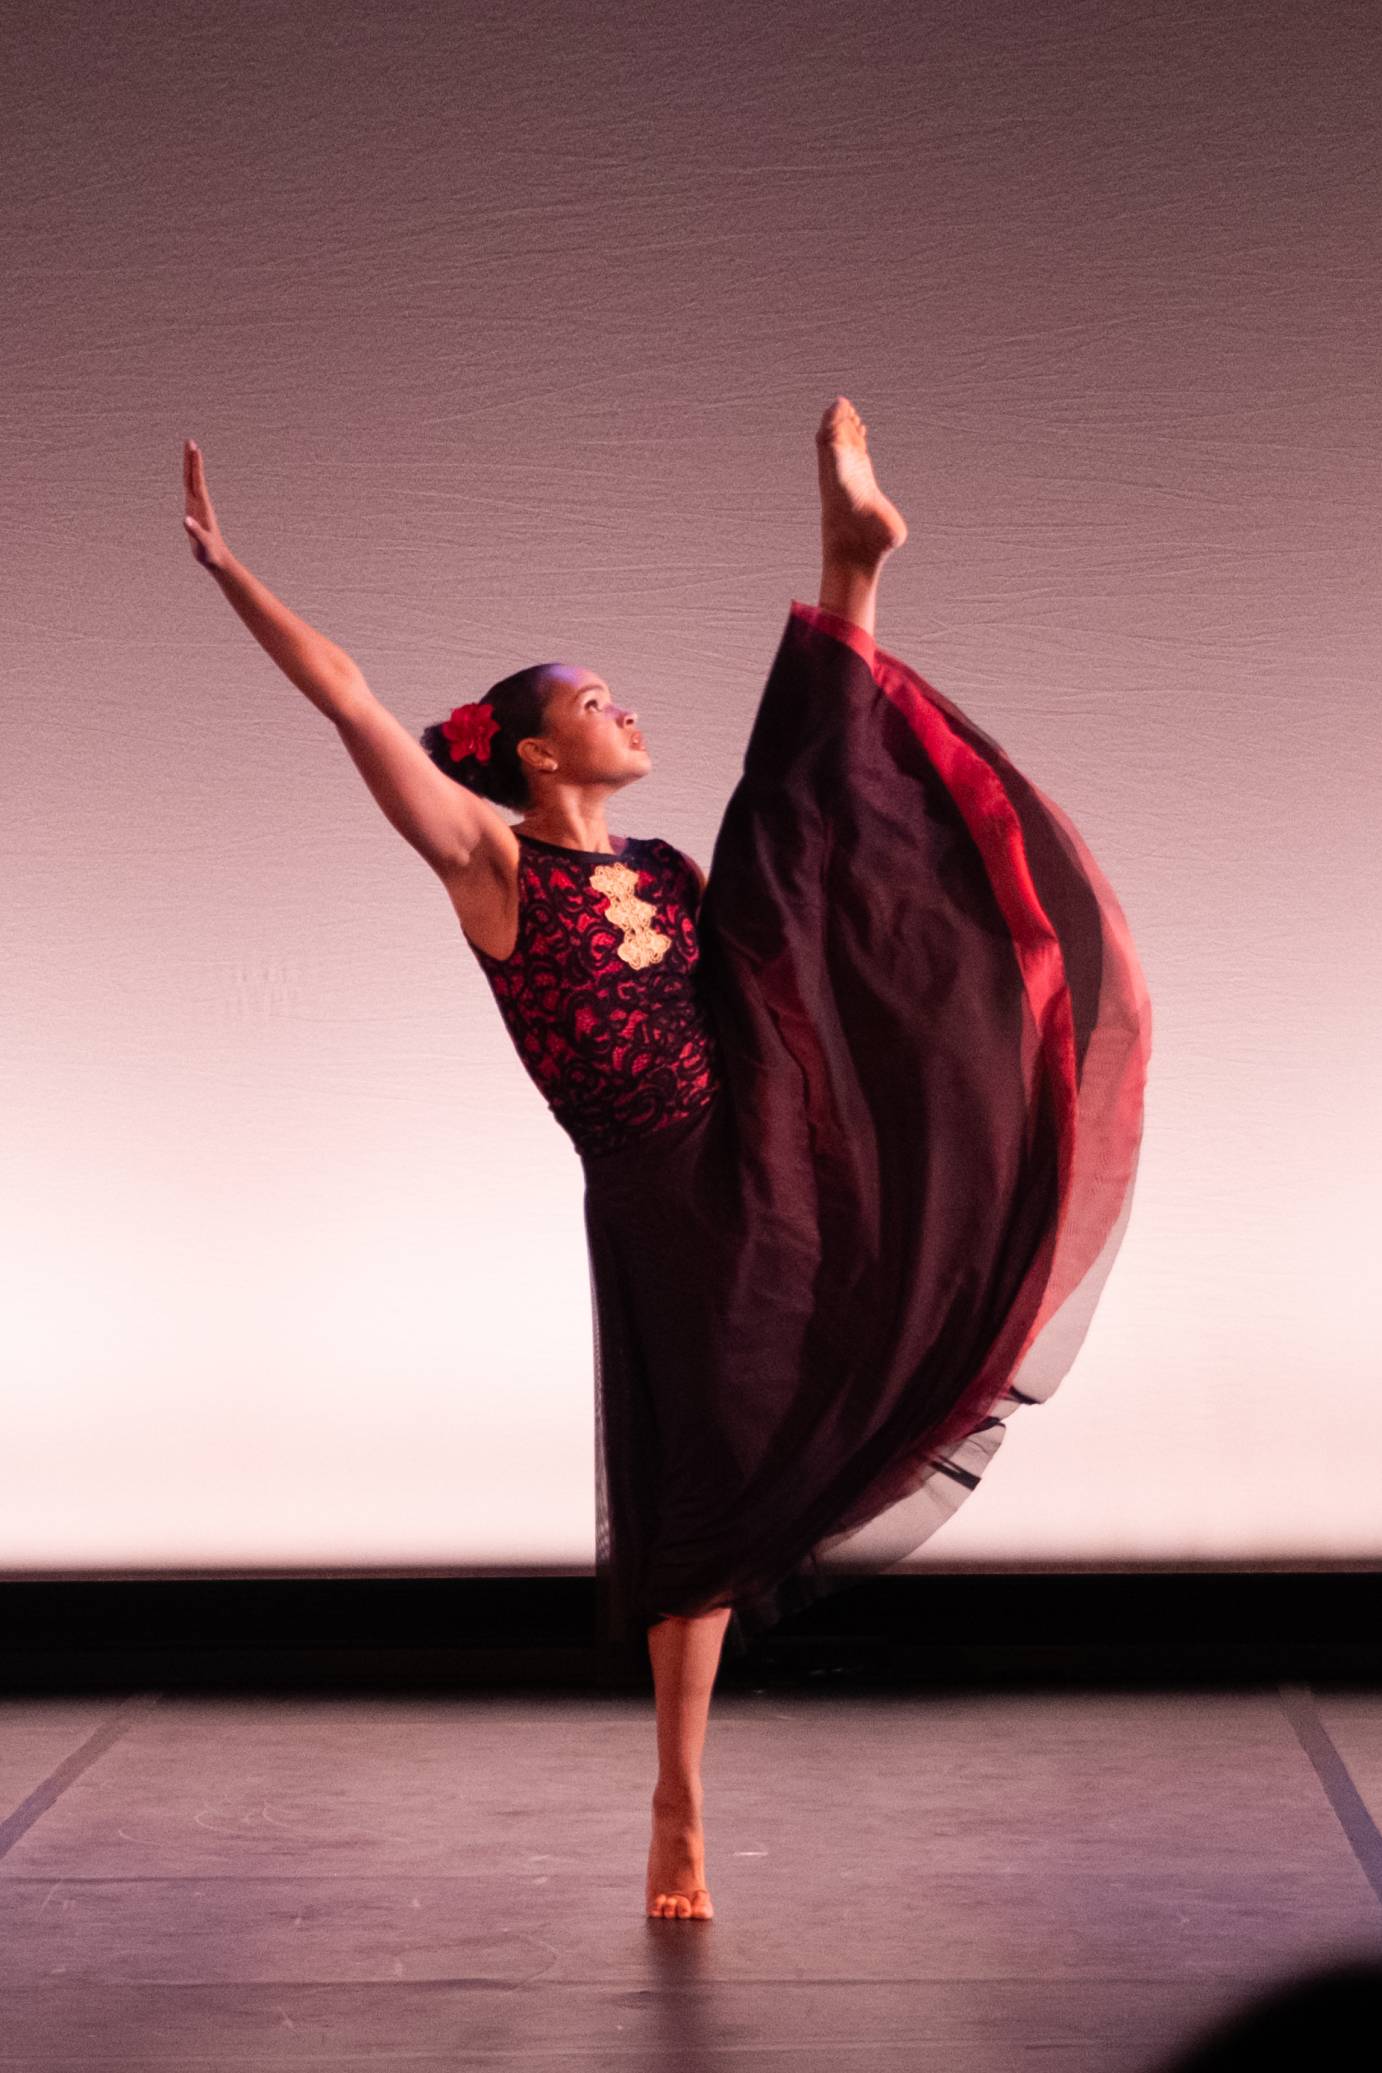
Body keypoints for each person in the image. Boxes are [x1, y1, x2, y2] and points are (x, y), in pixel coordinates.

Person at [183, 400, 1152, 1922]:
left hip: (754, 1151)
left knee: (799, 841)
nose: (624, 711)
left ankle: (850, 575)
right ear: (531, 750)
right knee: (693, 1488)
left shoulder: (662, 869)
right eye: (595, 701)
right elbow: (353, 699)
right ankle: (678, 1809)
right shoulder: (493, 864)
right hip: (657, 1197)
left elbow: (778, 948)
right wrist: (234, 572)